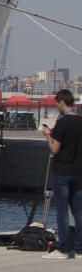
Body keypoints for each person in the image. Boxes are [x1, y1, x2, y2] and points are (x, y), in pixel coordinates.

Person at [40, 89, 82, 259]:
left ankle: (63, 248)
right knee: (79, 212)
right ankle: (80, 249)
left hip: (62, 172)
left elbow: (55, 149)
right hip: (79, 173)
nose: (57, 107)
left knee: (63, 211)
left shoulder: (63, 122)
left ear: (62, 103)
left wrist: (47, 135)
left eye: (57, 104)